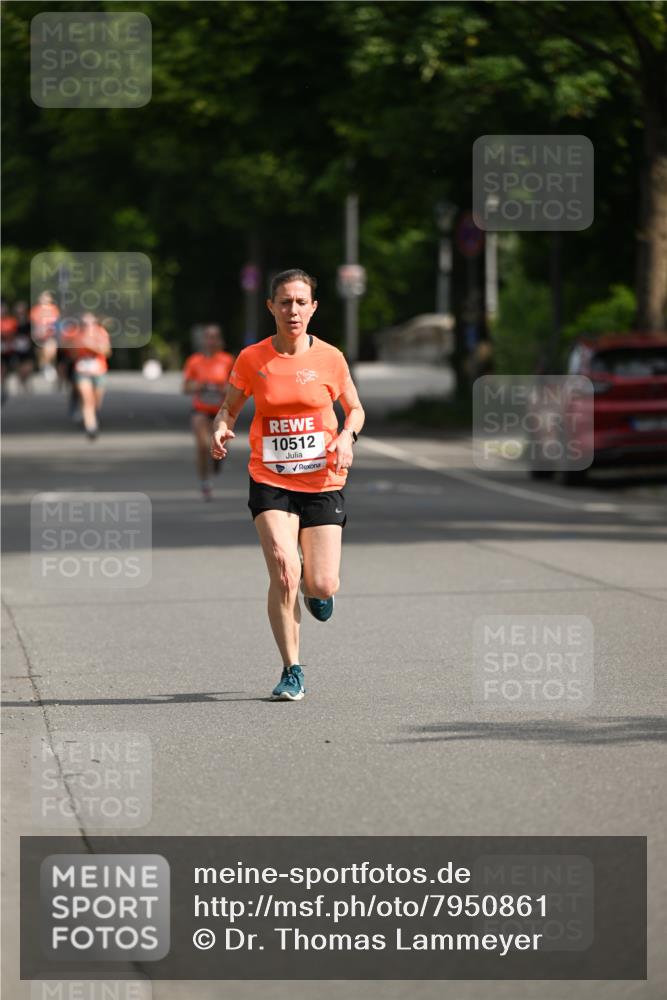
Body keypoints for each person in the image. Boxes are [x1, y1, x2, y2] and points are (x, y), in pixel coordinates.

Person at [211, 269, 365, 700]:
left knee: (321, 583)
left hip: (322, 479)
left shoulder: (330, 358)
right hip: (270, 478)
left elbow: (355, 410)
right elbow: (228, 408)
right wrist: (221, 429)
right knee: (283, 567)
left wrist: (346, 438)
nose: (293, 310)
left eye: (301, 302)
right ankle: (291, 669)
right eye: (284, 302)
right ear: (271, 308)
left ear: (313, 308)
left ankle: (316, 590)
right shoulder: (251, 359)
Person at [182, 324, 235, 500]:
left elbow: (236, 386)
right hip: (201, 410)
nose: (211, 341)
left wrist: (223, 388)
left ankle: (217, 463)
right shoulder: (194, 361)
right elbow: (185, 387)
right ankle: (205, 482)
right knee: (203, 446)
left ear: (219, 340)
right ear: (203, 340)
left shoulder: (227, 360)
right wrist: (200, 385)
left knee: (220, 448)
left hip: (222, 411)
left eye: (214, 337)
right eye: (208, 337)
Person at [64, 312, 112, 440]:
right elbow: (72, 355)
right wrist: (75, 347)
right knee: (87, 399)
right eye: (84, 320)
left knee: (96, 401)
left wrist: (91, 346)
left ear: (95, 320)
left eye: (90, 320)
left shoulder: (101, 332)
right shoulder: (76, 333)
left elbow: (107, 352)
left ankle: (90, 417)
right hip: (82, 370)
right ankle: (91, 427)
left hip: (98, 370)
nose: (87, 323)